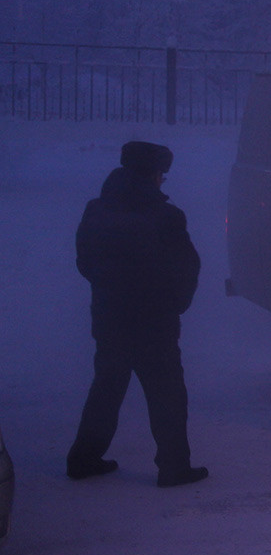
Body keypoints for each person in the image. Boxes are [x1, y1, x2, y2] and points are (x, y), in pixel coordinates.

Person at [67, 141, 207, 487]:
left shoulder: (96, 209)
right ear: (156, 175)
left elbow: (85, 261)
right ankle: (174, 467)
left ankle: (83, 459)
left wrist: (108, 289)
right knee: (167, 394)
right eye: (163, 174)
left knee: (107, 387)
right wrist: (175, 304)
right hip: (154, 322)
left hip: (109, 317)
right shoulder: (165, 217)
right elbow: (187, 268)